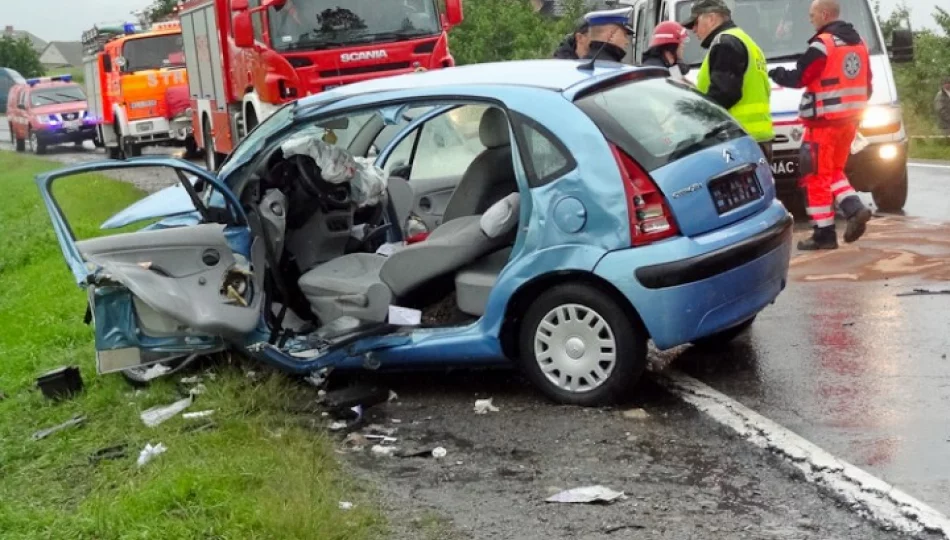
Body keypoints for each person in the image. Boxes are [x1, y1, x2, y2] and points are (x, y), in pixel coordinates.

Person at [769, 0, 874, 250]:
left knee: (815, 176)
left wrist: (776, 73)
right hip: (850, 122)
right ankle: (853, 210)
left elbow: (801, 77)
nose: (810, 19)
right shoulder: (859, 44)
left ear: (825, 14)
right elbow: (868, 84)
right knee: (833, 171)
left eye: (812, 14)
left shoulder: (822, 44)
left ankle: (826, 233)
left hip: (823, 124)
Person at [681, 0, 774, 161]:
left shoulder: (725, 43)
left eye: (695, 23)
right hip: (754, 138)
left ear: (711, 18)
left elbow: (724, 93)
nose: (693, 30)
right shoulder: (744, 40)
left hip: (738, 139)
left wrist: (695, 110)